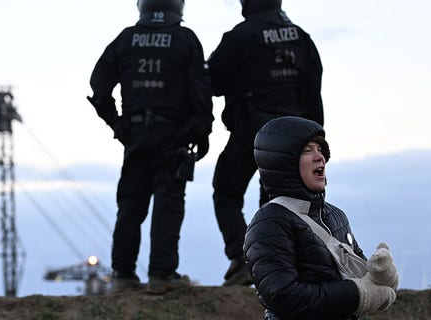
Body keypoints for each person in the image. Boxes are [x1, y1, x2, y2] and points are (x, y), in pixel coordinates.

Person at [88, 0, 214, 294]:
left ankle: (123, 275)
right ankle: (161, 275)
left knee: (131, 204)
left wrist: (117, 124)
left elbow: (99, 86)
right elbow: (200, 90)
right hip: (172, 135)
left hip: (136, 135)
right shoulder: (185, 39)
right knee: (168, 203)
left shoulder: (126, 38)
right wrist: (202, 130)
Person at [206, 0, 324, 286]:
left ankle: (243, 259)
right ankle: (281, 265)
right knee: (280, 202)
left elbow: (213, 81)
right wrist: (316, 140)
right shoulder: (301, 37)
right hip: (295, 134)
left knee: (226, 191)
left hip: (252, 129)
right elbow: (313, 89)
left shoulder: (241, 35)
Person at [245, 116, 398, 319]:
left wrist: (382, 275)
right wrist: (359, 295)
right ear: (283, 163)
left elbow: (361, 278)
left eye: (320, 149)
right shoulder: (268, 224)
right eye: (307, 151)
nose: (320, 157)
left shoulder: (336, 216)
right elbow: (283, 296)